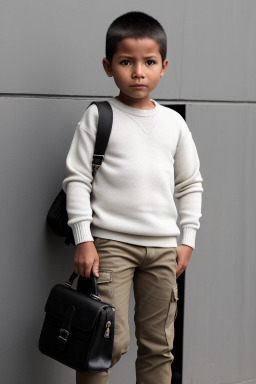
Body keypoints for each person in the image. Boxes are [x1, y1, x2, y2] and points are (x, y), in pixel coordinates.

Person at [63, 11, 203, 384]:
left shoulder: (174, 123)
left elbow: (190, 184)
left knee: (159, 346)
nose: (138, 72)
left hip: (163, 250)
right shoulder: (99, 116)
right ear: (109, 67)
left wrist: (187, 240)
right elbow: (77, 180)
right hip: (110, 246)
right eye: (126, 62)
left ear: (163, 66)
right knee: (107, 341)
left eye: (149, 62)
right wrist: (84, 239)